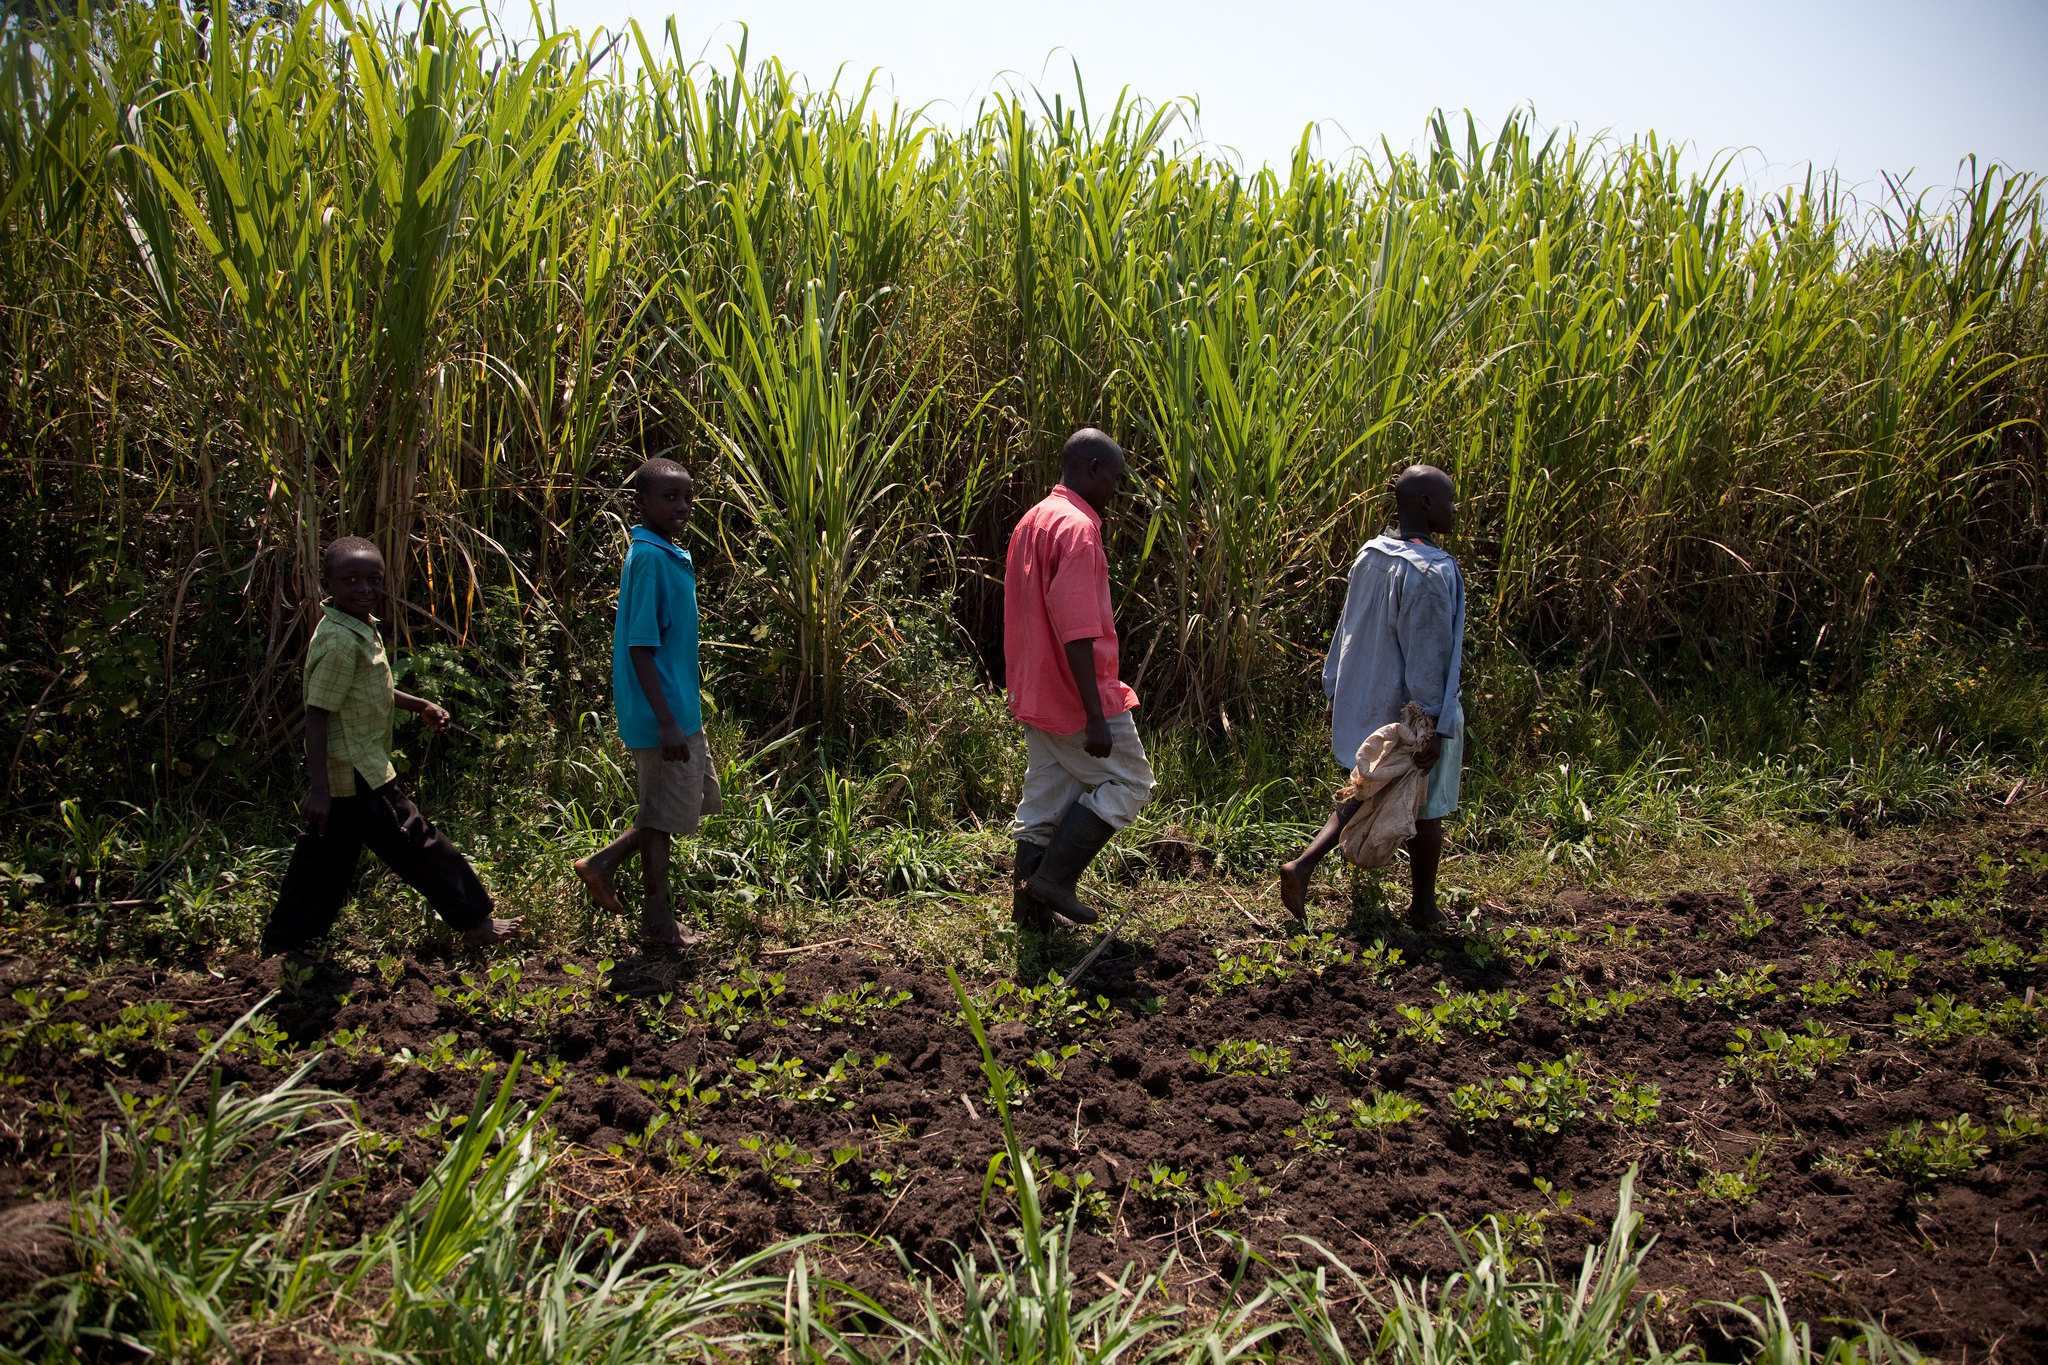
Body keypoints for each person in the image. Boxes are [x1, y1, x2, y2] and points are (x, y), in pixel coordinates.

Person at [261, 538, 521, 955]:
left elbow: (370, 691)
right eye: (351, 580)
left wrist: (419, 704)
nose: (364, 589)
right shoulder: (339, 641)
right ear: (326, 582)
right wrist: (320, 789)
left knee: (323, 862)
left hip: (354, 771)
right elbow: (317, 714)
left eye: (374, 580)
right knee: (421, 844)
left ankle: (286, 942)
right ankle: (475, 921)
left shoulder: (358, 628)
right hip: (356, 773)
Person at [1278, 464, 1466, 931]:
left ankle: (1304, 865)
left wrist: (1334, 687)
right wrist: (1435, 725)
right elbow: (1430, 658)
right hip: (1409, 712)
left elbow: (1348, 630)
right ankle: (1422, 906)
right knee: (1429, 807)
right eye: (1449, 500)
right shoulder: (1430, 571)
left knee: (1367, 788)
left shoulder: (1371, 555)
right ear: (1425, 505)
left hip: (1366, 698)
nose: (1455, 509)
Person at [1004, 428, 1157, 930]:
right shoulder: (1079, 529)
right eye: (1114, 478)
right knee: (1131, 783)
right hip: (1074, 697)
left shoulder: (1032, 520)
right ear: (1092, 469)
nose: (1116, 490)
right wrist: (1096, 715)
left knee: (1046, 794)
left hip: (1035, 689)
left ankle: (1030, 916)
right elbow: (1077, 631)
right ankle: (1053, 883)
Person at [574, 459, 722, 948]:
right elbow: (640, 645)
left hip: (679, 710)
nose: (681, 507)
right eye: (669, 497)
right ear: (642, 502)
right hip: (664, 715)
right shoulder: (650, 557)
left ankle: (604, 861)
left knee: (695, 800)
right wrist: (665, 722)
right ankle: (658, 922)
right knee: (661, 815)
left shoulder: (669, 553)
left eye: (687, 497)